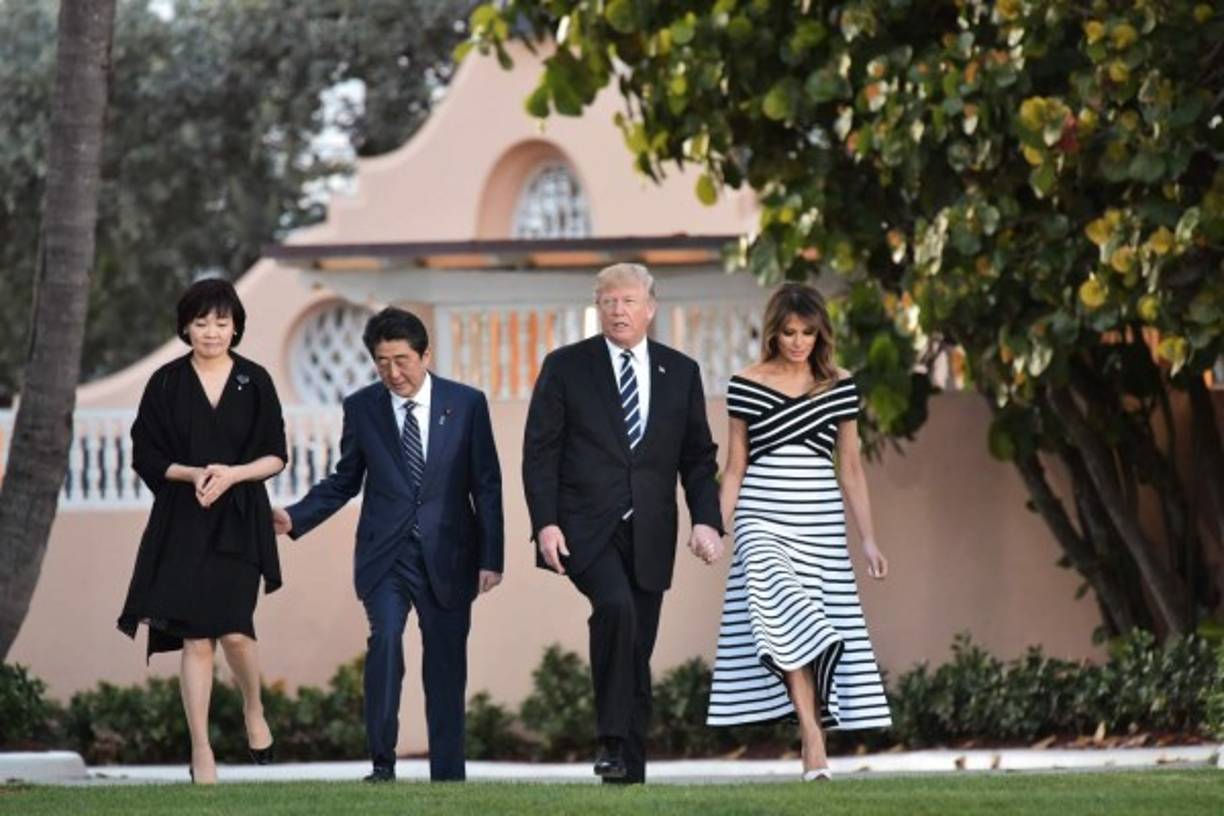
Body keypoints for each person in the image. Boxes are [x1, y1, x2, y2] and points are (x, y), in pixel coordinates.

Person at [273, 307, 503, 783]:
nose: (393, 373)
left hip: (450, 556)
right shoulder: (362, 407)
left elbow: (486, 485)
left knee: (445, 665)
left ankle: (448, 773)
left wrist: (491, 557)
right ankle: (382, 764)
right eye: (382, 363)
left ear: (425, 355)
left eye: (402, 360)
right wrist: (294, 516)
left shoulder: (466, 404)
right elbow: (344, 481)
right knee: (385, 643)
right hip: (386, 556)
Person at [522, 262, 724, 784]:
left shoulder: (680, 372)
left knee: (636, 646)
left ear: (649, 309)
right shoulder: (566, 366)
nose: (618, 310)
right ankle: (610, 741)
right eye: (608, 301)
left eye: (629, 300)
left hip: (651, 530)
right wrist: (545, 523)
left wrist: (707, 522)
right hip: (585, 528)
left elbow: (698, 459)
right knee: (615, 609)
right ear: (598, 308)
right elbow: (540, 453)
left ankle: (628, 772)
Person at [706, 282, 892, 781]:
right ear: (774, 332)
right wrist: (716, 528)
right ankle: (812, 732)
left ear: (819, 334)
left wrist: (868, 538)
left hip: (820, 522)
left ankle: (814, 728)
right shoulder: (744, 383)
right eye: (789, 332)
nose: (798, 342)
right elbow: (735, 468)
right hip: (761, 519)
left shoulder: (840, 384)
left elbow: (850, 468)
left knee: (811, 624)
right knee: (781, 615)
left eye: (808, 332)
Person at [117, 278, 287, 784]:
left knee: (235, 630)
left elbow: (276, 455)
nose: (211, 332)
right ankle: (201, 752)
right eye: (201, 322)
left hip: (240, 519)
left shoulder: (254, 380)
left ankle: (253, 708)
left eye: (221, 322)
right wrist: (193, 474)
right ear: (185, 328)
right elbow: (145, 454)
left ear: (235, 326)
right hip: (183, 520)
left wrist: (232, 474)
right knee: (196, 640)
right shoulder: (166, 383)